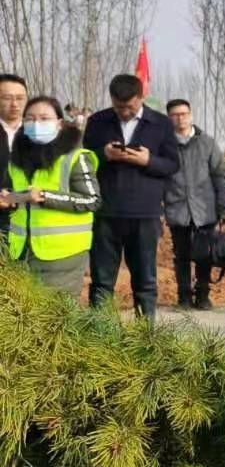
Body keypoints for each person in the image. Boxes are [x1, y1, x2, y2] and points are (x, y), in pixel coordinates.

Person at [83, 73, 179, 320]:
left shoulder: (161, 124)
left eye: (129, 106)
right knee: (102, 282)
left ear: (141, 97)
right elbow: (83, 162)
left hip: (144, 213)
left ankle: (144, 335)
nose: (124, 112)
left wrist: (147, 160)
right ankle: (100, 336)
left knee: (145, 281)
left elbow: (172, 165)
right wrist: (103, 154)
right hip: (106, 212)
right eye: (118, 107)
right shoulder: (97, 121)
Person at [1, 96, 100, 296]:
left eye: (44, 118)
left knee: (56, 319)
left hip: (63, 255)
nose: (36, 124)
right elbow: (18, 196)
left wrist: (45, 196)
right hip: (22, 250)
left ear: (60, 123)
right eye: (30, 119)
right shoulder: (16, 159)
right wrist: (9, 199)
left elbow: (91, 200)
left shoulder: (75, 157)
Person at [164, 98, 225, 311]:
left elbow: (220, 175)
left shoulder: (207, 143)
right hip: (177, 208)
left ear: (191, 115)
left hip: (205, 208)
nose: (180, 118)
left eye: (183, 113)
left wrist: (223, 205)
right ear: (169, 118)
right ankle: (183, 296)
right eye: (175, 114)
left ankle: (203, 294)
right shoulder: (164, 145)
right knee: (181, 255)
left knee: (204, 255)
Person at [0, 74, 27, 243]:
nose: (15, 104)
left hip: (30, 217)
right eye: (7, 98)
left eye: (20, 98)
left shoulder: (41, 132)